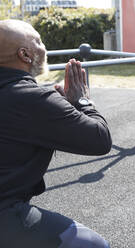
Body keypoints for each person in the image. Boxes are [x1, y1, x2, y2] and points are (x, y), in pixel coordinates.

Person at [0, 19, 112, 247]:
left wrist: (57, 109)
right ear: (25, 54)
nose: (44, 47)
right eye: (39, 41)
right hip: (5, 214)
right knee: (94, 245)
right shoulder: (33, 98)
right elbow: (99, 139)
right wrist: (83, 100)